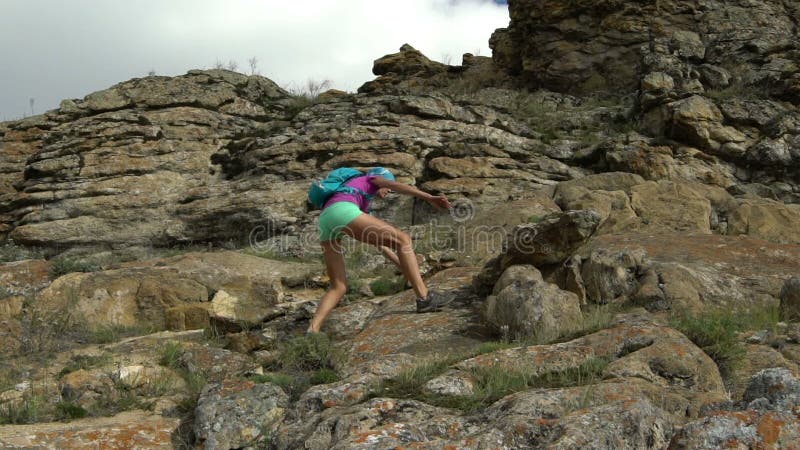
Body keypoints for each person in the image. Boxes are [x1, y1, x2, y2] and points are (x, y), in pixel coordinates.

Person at [307, 167, 453, 334]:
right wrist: (429, 197)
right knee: (403, 239)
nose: (389, 190)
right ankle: (424, 298)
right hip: (342, 210)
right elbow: (397, 186)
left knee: (338, 286)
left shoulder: (358, 197)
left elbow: (381, 246)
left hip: (325, 219)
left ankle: (313, 330)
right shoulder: (370, 180)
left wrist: (403, 265)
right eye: (387, 184)